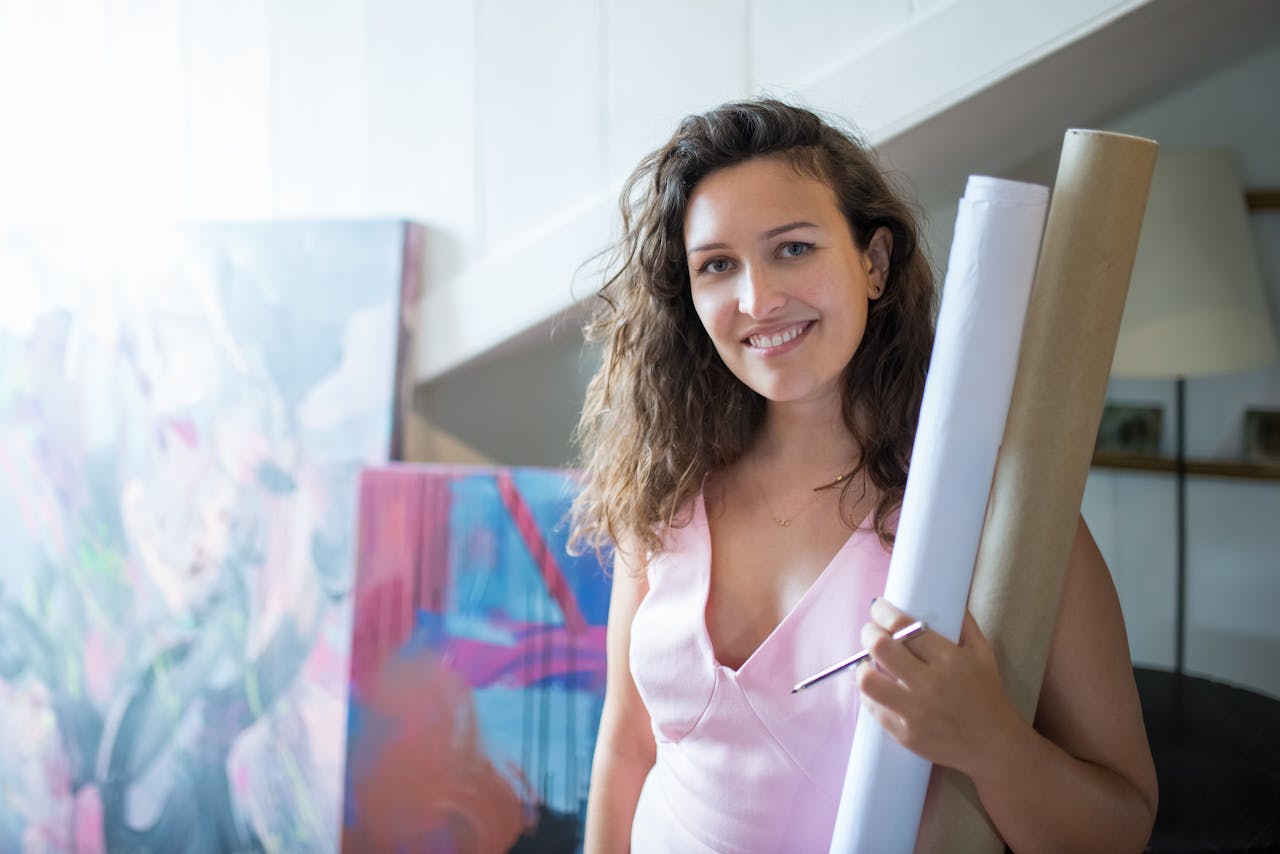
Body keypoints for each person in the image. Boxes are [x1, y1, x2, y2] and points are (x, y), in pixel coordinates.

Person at [571, 98, 1157, 853]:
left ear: (873, 262)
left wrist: (988, 741)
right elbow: (627, 749)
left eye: (792, 249)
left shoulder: (986, 514)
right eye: (717, 266)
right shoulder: (666, 487)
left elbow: (1123, 824)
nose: (758, 300)